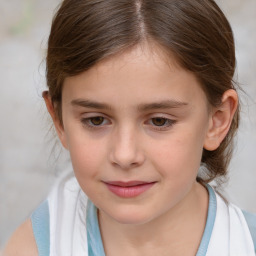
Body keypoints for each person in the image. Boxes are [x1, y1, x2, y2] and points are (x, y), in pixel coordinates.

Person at [3, 0, 256, 255]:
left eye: (159, 121)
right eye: (96, 120)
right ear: (59, 119)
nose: (124, 155)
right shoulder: (31, 248)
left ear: (217, 120)